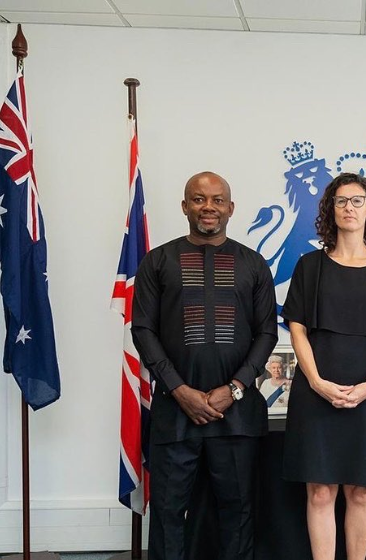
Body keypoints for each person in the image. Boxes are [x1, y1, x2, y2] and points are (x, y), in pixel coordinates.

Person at [131, 171, 278, 560]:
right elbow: (143, 330)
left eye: (216, 200)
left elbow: (267, 334)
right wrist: (180, 391)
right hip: (175, 412)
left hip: (238, 415)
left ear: (231, 208)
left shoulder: (253, 264)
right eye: (198, 199)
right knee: (167, 513)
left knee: (239, 512)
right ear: (184, 207)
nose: (208, 207)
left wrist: (234, 390)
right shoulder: (157, 261)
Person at [281, 172, 366, 560]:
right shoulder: (309, 265)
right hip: (315, 394)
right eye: (341, 201)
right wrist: (318, 382)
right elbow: (297, 330)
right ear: (330, 210)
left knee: (361, 490)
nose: (349, 208)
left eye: (357, 201)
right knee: (320, 490)